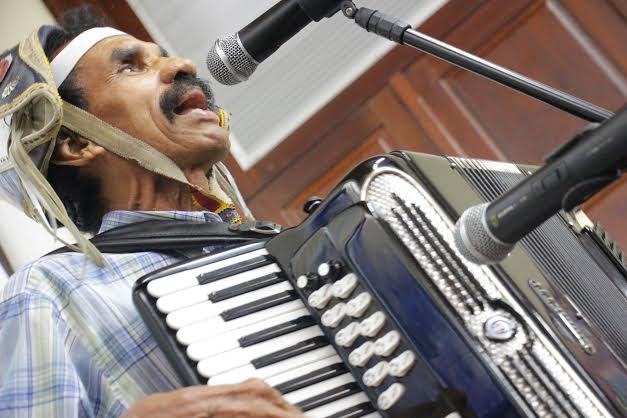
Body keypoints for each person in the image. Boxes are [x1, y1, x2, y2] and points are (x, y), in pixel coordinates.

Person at [0, 7, 304, 418]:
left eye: (161, 55)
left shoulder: (272, 248)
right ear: (75, 142)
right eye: (129, 67)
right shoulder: (52, 291)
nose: (183, 65)